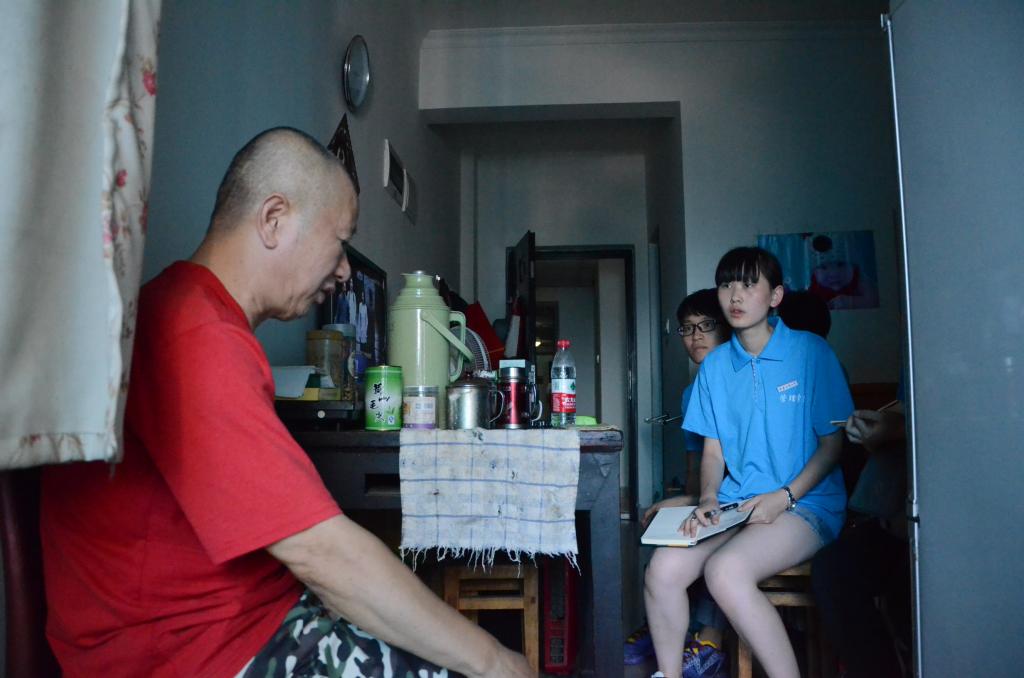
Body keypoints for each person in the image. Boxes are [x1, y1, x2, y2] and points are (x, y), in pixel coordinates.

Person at [39, 128, 533, 678]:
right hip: (197, 650)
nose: (344, 268)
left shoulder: (195, 314)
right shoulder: (196, 333)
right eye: (339, 241)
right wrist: (498, 662)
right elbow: (321, 552)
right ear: (274, 219)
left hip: (249, 618)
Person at [644, 246, 853, 678]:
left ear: (775, 296)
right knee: (662, 570)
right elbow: (713, 451)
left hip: (804, 504)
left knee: (725, 571)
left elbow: (832, 446)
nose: (735, 295)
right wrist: (707, 497)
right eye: (726, 285)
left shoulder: (810, 353)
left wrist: (784, 496)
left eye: (748, 284)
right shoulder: (716, 367)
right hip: (736, 503)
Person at [629, 289, 732, 675]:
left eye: (706, 326)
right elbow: (697, 466)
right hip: (712, 493)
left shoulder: (740, 379)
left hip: (743, 497)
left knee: (705, 538)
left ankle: (709, 638)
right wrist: (682, 500)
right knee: (660, 525)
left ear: (725, 328)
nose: (696, 336)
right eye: (687, 329)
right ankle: (670, 629)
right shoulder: (691, 394)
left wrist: (693, 502)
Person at [811, 398, 911, 678]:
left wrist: (894, 428)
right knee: (833, 570)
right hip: (899, 520)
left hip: (952, 526)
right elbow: (904, 409)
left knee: (910, 588)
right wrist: (880, 430)